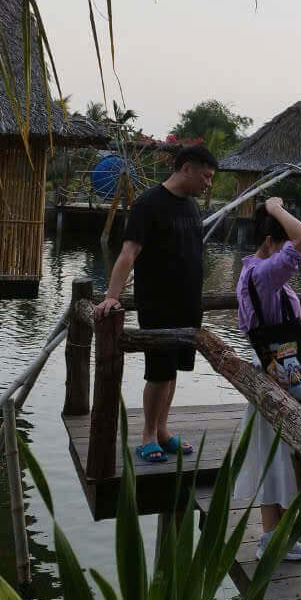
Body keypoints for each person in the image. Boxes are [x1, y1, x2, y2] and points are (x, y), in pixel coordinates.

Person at [94, 144, 218, 463]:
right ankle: (148, 435)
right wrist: (112, 296)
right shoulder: (149, 204)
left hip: (189, 303)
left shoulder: (191, 206)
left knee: (174, 370)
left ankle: (163, 431)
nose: (208, 184)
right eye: (206, 176)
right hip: (159, 302)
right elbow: (128, 253)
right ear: (187, 167)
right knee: (159, 372)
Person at [233, 196, 301, 561]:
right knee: (298, 448)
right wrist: (274, 207)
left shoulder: (249, 272)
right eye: (281, 243)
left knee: (272, 453)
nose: (289, 251)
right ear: (270, 242)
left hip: (273, 370)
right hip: (291, 375)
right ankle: (281, 536)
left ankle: (274, 537)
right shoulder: (264, 272)